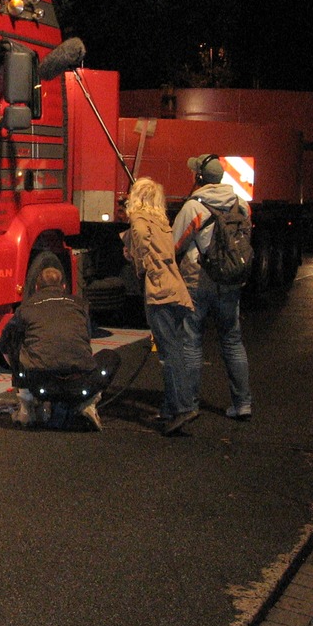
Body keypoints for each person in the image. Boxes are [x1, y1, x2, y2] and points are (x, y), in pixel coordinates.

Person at [173, 154, 253, 421]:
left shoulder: (193, 206)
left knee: (192, 341)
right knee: (232, 340)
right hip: (230, 281)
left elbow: (176, 244)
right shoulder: (241, 204)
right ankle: (242, 403)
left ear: (199, 177)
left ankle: (190, 405)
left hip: (198, 280)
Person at [0, 265, 120, 431]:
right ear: (63, 286)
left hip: (39, 384)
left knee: (14, 342)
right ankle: (88, 403)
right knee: (110, 356)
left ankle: (26, 405)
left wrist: (19, 368)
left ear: (36, 287)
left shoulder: (26, 308)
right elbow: (86, 338)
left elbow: (5, 343)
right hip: (80, 383)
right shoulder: (80, 305)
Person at [123, 176, 197, 435]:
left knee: (169, 353)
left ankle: (183, 406)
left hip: (161, 292)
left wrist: (143, 264)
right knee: (173, 347)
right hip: (176, 289)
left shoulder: (140, 221)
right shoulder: (162, 222)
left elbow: (141, 239)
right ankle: (170, 407)